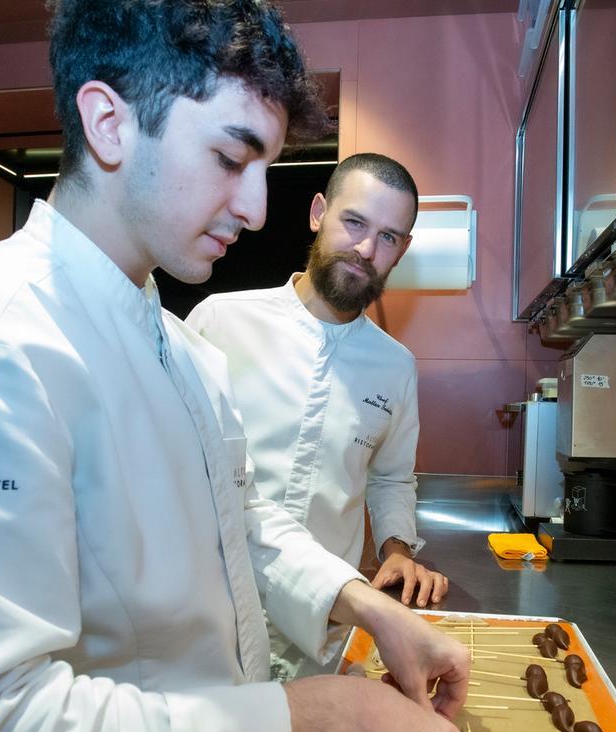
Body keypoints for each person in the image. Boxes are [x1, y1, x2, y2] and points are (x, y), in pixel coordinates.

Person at [0, 2, 468, 732]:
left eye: (265, 166)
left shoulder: (181, 352)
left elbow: (240, 527)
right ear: (108, 122)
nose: (255, 205)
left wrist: (368, 609)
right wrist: (319, 716)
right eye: (231, 157)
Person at [187, 154, 449, 608]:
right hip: (211, 605)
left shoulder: (395, 366)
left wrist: (398, 551)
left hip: (326, 615)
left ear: (402, 250)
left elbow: (391, 478)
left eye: (386, 236)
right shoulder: (220, 322)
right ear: (318, 213)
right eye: (354, 222)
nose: (366, 249)